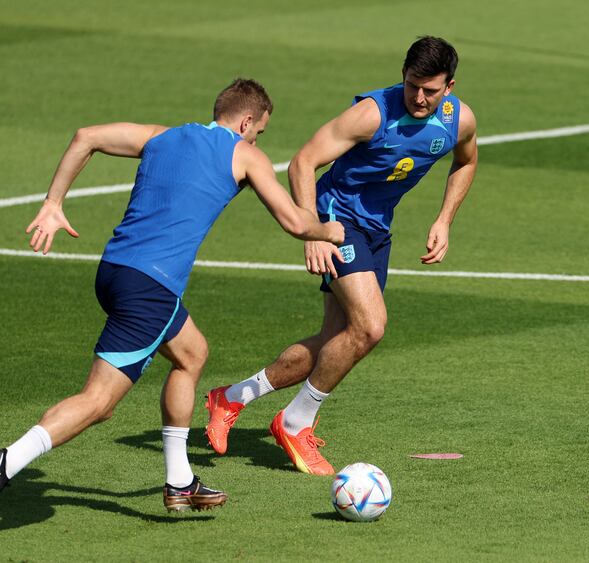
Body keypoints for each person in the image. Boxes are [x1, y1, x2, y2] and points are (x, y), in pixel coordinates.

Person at [0, 78, 345, 525]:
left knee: (192, 353)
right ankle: (5, 463)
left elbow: (85, 137)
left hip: (115, 273)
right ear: (247, 121)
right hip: (152, 288)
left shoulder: (160, 136)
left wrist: (54, 202)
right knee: (99, 402)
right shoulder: (245, 155)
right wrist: (330, 230)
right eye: (259, 130)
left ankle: (180, 481)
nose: (257, 138)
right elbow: (294, 222)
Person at [205, 37, 478, 475]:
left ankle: (230, 399)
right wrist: (313, 231)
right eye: (412, 86)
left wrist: (444, 218)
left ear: (449, 86)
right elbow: (302, 162)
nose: (419, 98)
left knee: (336, 343)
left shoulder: (457, 119)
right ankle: (295, 423)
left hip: (376, 230)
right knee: (370, 328)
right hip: (337, 219)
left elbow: (466, 160)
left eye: (430, 90)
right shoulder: (373, 113)